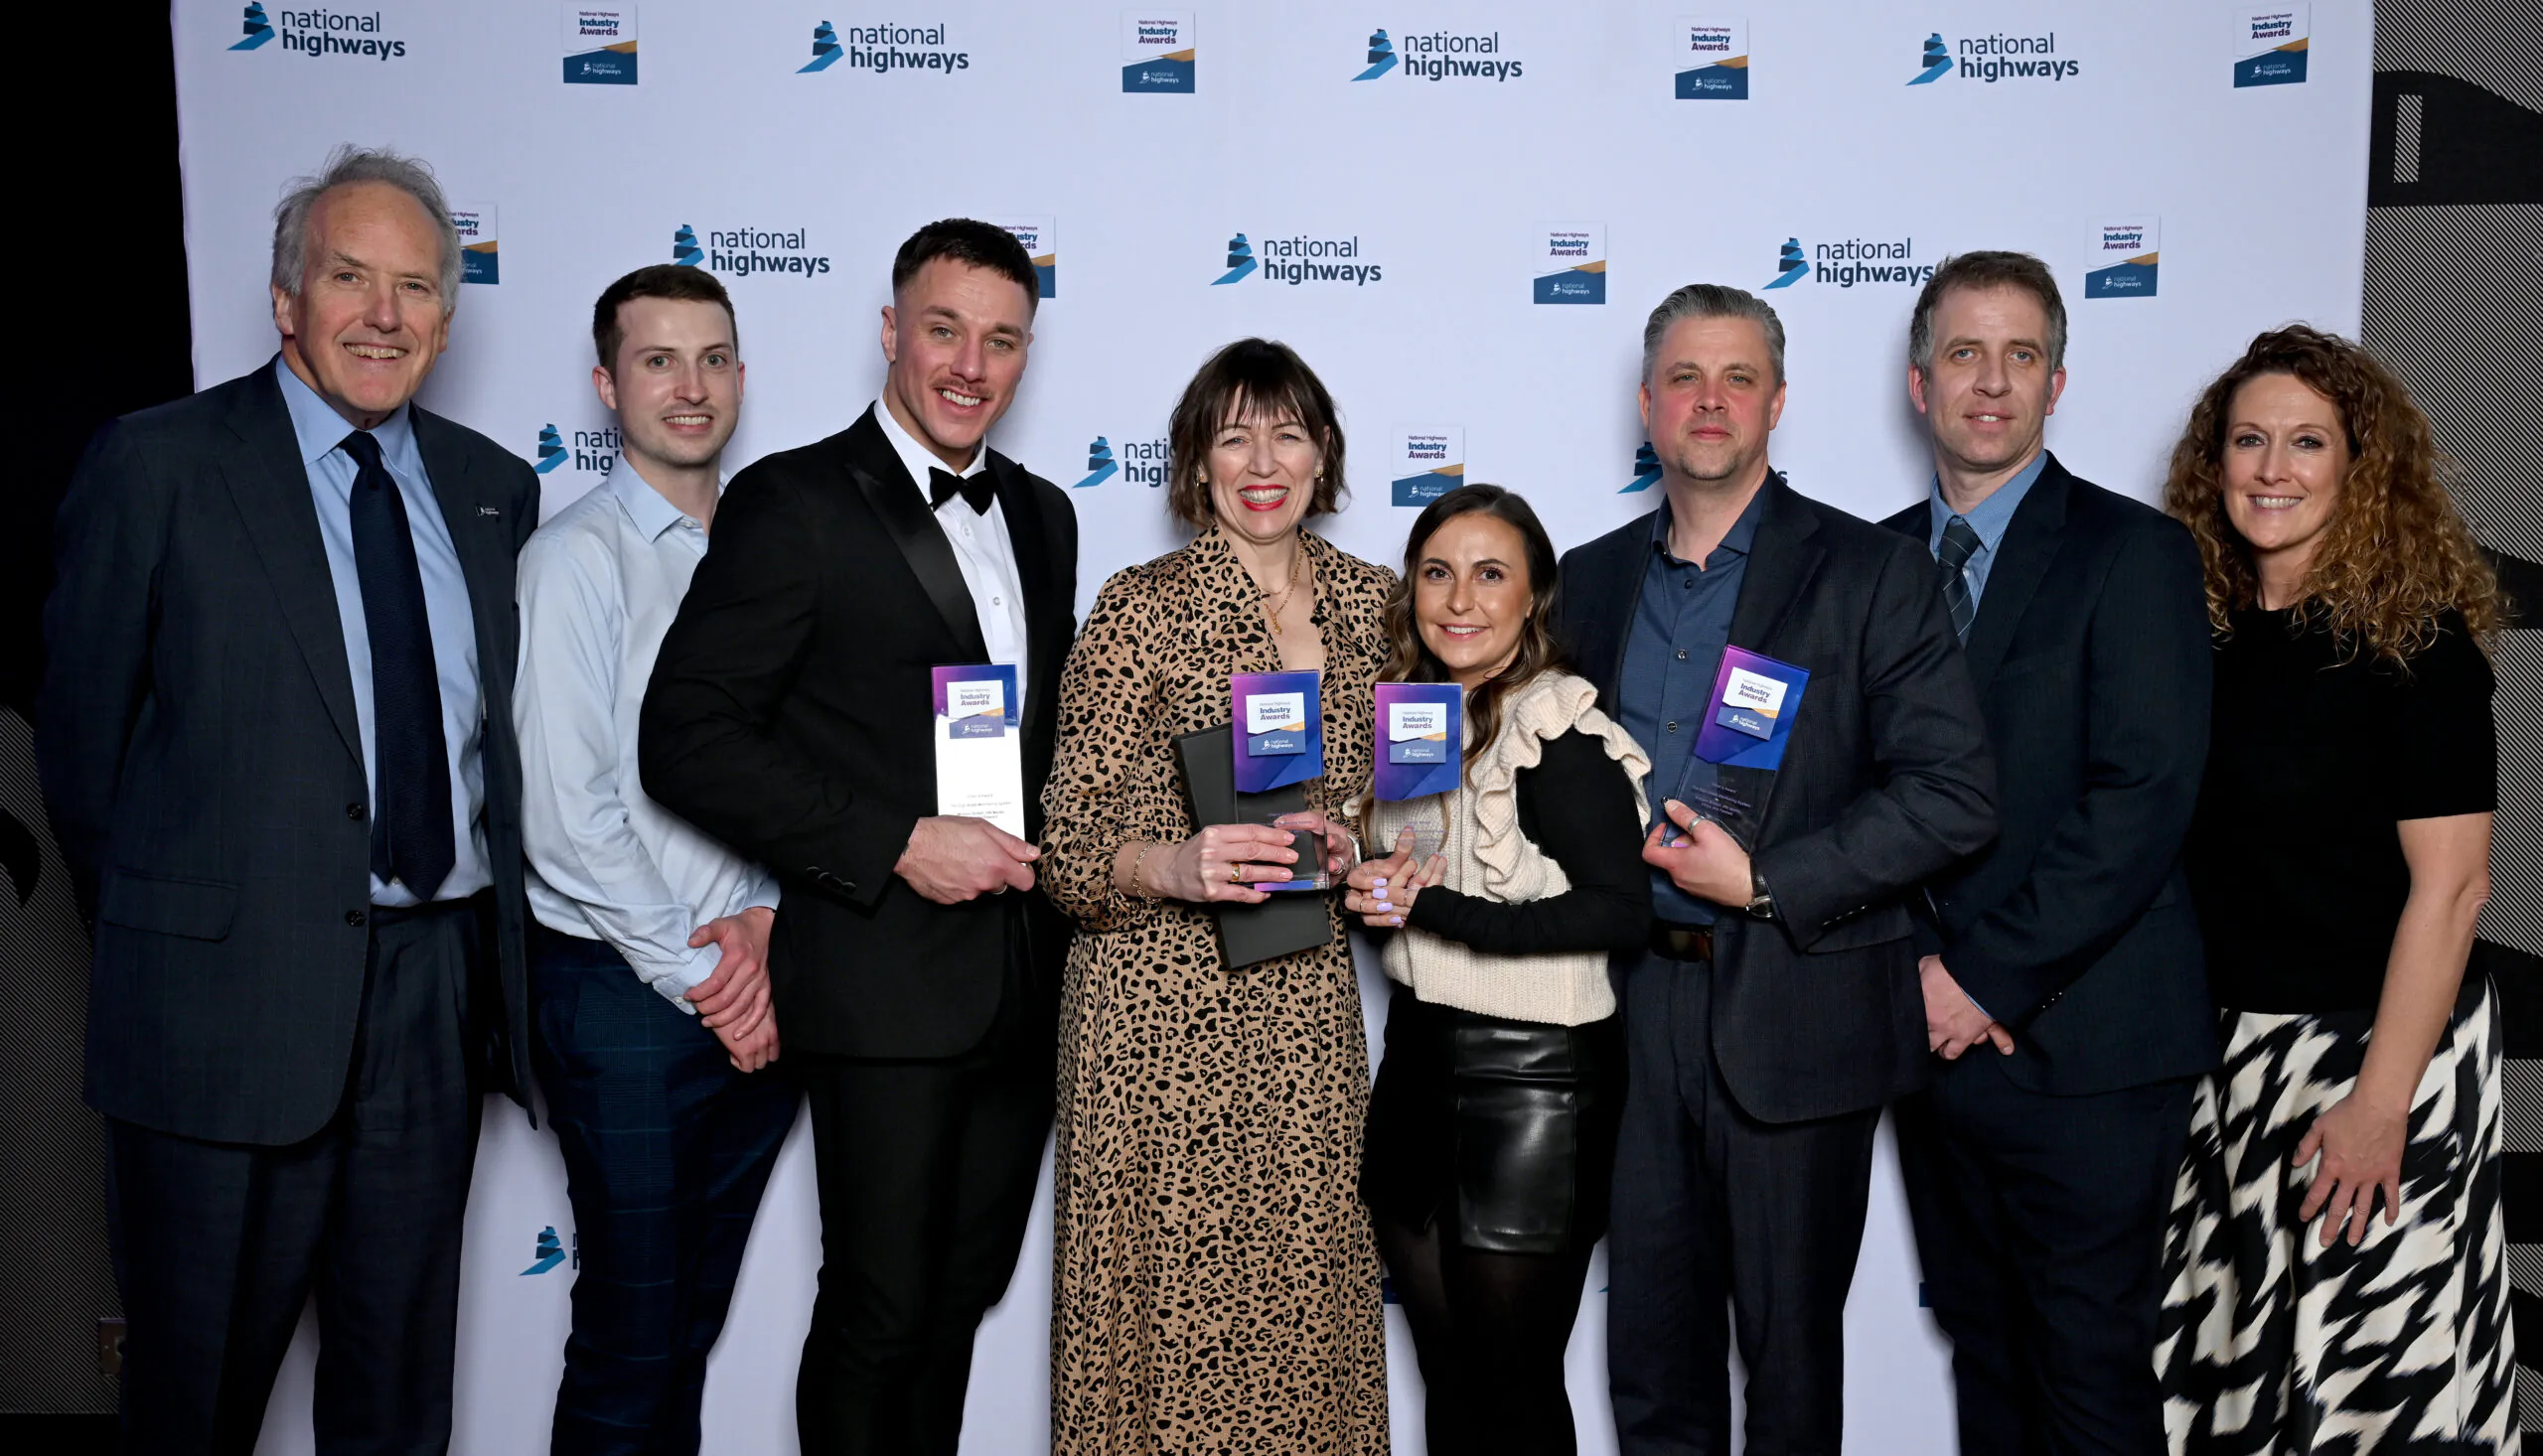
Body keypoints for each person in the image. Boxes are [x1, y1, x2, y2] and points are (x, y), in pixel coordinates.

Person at [36, 145, 537, 1454]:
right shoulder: (160, 466)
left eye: (416, 286)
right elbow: (85, 761)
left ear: (446, 312)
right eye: (349, 277)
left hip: (431, 999)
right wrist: (194, 939)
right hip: (220, 1006)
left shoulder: (493, 487)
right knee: (196, 1398)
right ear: (284, 298)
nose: (384, 313)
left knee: (396, 1394)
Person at [638, 219, 1077, 1456]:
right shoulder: (794, 498)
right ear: (891, 332)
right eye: (943, 330)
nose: (969, 364)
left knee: (955, 1307)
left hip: (1022, 987)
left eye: (1001, 340)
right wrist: (891, 840)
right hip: (880, 979)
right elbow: (687, 732)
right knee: (877, 1311)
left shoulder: (1043, 515)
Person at [1558, 283, 1999, 1454]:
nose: (1711, 401)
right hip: (1625, 1007)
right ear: (1647, 405)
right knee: (1651, 1362)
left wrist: (1762, 880)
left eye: (1737, 378)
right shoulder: (1584, 581)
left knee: (1791, 1376)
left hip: (1797, 1005)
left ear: (1777, 403)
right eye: (1686, 379)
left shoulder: (1871, 572)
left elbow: (1954, 794)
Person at [1877, 251, 2216, 1455]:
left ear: (2057, 381)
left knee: (2084, 1369)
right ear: (1920, 383)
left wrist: (1981, 978)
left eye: (2021, 355)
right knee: (1985, 1352)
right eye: (1964, 353)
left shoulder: (2133, 553)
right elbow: (1840, 799)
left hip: (2088, 1047)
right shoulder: (1865, 565)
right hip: (1927, 1042)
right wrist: (1917, 977)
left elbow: (2142, 797)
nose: (1992, 381)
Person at [2156, 326, 2514, 1453]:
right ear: (2211, 464)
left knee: (2371, 1396)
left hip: (2373, 1052)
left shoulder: (2416, 645)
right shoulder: (2195, 633)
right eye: (2248, 440)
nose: (2272, 468)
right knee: (2233, 1385)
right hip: (2225, 1066)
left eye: (2306, 442)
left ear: (2362, 464)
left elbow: (2453, 891)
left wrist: (2378, 1102)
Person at [1038, 338, 1393, 1453]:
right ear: (1194, 460)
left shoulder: (1378, 608)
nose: (1261, 459)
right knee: (1159, 1318)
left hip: (1302, 1015)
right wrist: (1175, 863)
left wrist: (1359, 843)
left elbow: (1414, 806)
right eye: (1232, 433)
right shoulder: (1140, 606)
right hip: (1153, 1019)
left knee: (1305, 1299)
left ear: (1323, 452)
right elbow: (1065, 844)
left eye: (1287, 431)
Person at [513, 264, 797, 1455]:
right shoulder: (576, 559)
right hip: (631, 997)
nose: (692, 386)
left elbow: (808, 773)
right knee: (629, 1344)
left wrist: (771, 928)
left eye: (714, 358)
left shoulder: (778, 554)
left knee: (689, 1326)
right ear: (604, 383)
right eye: (658, 360)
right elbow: (570, 812)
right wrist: (708, 975)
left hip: (767, 981)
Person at [1345, 485, 1653, 1455]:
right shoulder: (1418, 717)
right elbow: (1411, 874)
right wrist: (1342, 867)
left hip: (1534, 1085)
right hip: (1417, 1064)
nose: (1459, 599)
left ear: (1533, 599)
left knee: (1513, 1390)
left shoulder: (1557, 734)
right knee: (1450, 1378)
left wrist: (1430, 905)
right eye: (1437, 572)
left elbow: (1619, 910)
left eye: (1490, 574)